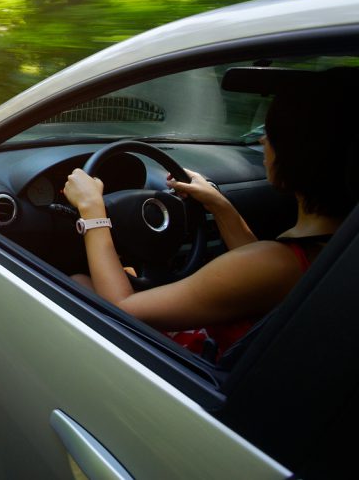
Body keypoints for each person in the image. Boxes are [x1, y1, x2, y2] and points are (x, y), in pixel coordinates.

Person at [62, 68, 358, 358]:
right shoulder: (335, 242)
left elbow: (122, 308)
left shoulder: (273, 264)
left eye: (271, 133)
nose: (261, 141)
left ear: (299, 153)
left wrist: (92, 210)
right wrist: (219, 204)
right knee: (124, 273)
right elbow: (263, 269)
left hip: (205, 369)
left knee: (78, 281)